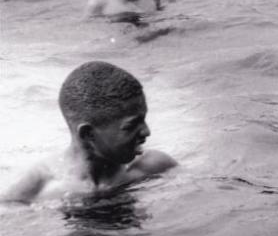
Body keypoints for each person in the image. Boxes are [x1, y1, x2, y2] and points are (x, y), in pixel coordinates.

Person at [0, 61, 178, 204]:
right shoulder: (34, 189)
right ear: (88, 135)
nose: (147, 132)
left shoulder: (154, 166)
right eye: (131, 126)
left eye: (144, 119)